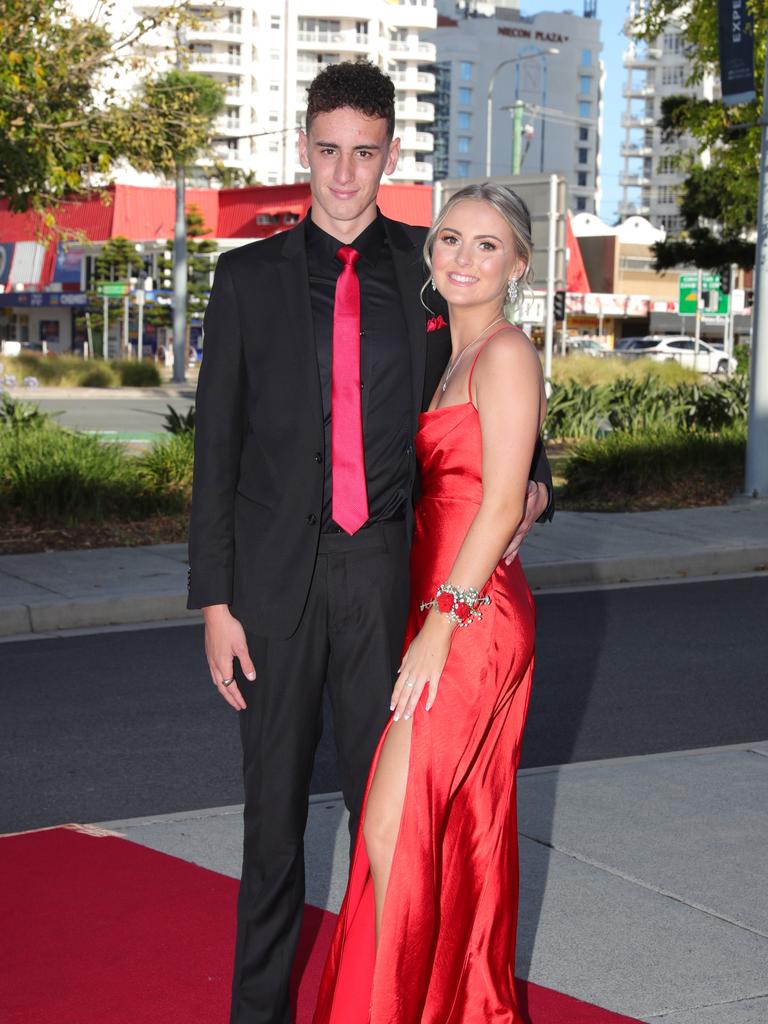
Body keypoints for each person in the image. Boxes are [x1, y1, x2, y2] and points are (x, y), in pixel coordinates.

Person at [187, 62, 552, 1024]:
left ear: (390, 155)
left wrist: (532, 493)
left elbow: (500, 421)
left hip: (391, 580)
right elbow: (214, 448)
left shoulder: (428, 273)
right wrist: (216, 604)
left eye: (365, 151)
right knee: (272, 829)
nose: (345, 171)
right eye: (328, 149)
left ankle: (395, 997)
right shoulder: (246, 278)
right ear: (303, 150)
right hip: (271, 588)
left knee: (389, 818)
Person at [313, 183, 545, 1024]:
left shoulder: (508, 354)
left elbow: (498, 501)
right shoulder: (451, 351)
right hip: (441, 608)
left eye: (488, 246)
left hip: (471, 618)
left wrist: (440, 630)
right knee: (413, 832)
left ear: (519, 264)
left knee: (391, 828)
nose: (463, 258)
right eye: (451, 239)